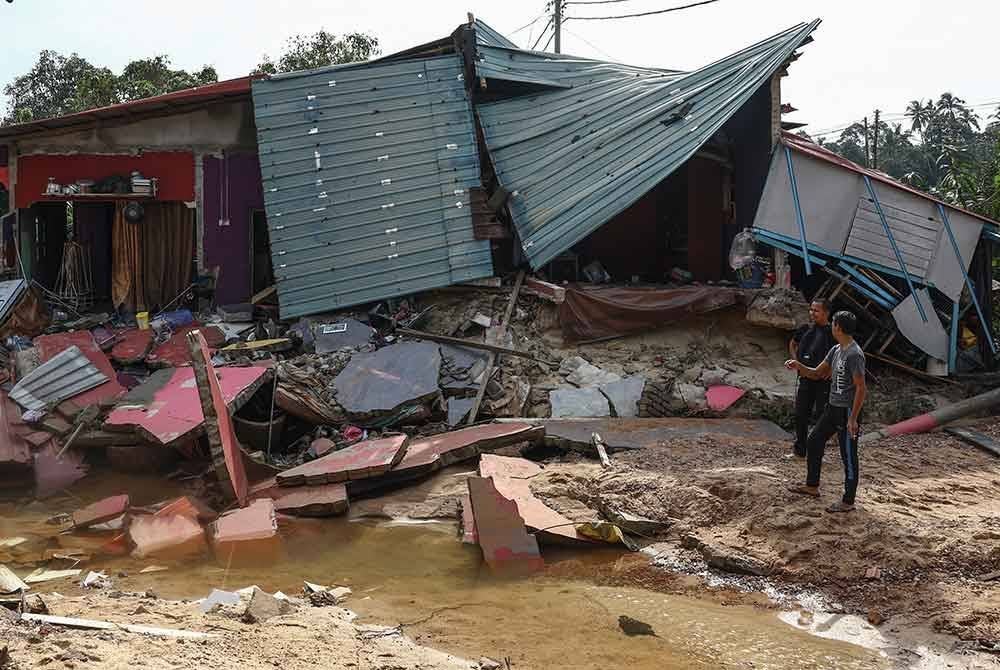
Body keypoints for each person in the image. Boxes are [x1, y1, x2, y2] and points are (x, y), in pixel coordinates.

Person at [784, 310, 867, 512]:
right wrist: (798, 366)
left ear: (838, 327)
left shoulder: (854, 354)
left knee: (848, 456)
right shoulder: (836, 349)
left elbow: (861, 387)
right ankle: (812, 486)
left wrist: (853, 418)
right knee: (813, 441)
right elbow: (816, 373)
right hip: (832, 407)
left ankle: (848, 501)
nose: (831, 326)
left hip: (847, 411)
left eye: (833, 324)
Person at [788, 299, 833, 458]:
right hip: (806, 379)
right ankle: (800, 450)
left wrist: (833, 370)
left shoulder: (833, 332)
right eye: (811, 310)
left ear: (826, 313)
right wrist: (797, 363)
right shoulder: (805, 329)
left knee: (821, 416)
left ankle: (818, 451)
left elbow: (843, 353)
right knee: (800, 414)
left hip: (823, 382)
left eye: (816, 310)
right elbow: (792, 343)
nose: (812, 313)